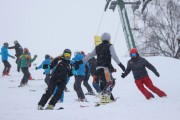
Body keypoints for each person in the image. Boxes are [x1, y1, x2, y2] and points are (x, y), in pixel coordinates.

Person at [80, 32, 125, 103]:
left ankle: (110, 98)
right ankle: (104, 98)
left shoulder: (97, 47)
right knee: (111, 82)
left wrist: (80, 61)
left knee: (104, 83)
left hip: (98, 70)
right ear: (109, 38)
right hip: (105, 69)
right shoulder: (110, 46)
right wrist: (121, 65)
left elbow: (89, 55)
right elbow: (114, 56)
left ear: (101, 39)